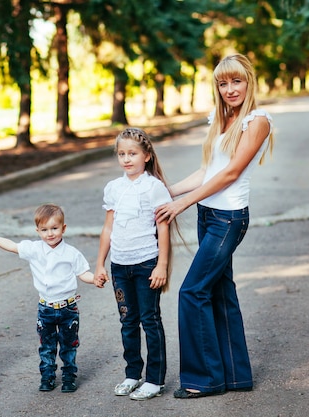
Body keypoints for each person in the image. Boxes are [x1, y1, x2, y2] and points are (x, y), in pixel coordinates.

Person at [155, 54, 274, 399]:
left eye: (236, 81)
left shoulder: (257, 121)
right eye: (223, 83)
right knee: (221, 293)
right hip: (207, 215)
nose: (230, 89)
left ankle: (202, 378)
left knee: (192, 292)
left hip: (228, 219)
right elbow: (208, 169)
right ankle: (236, 375)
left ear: (248, 81)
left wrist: (182, 203)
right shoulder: (220, 119)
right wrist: (168, 191)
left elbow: (231, 173)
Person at [94, 127, 173, 401]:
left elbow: (163, 229)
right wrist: (100, 264)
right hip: (120, 266)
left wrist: (161, 265)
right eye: (122, 154)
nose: (127, 159)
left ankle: (155, 379)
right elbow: (108, 229)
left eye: (133, 153)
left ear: (147, 156)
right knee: (128, 320)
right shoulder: (113, 188)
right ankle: (132, 374)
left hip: (146, 264)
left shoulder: (154, 187)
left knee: (149, 320)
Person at [0, 204, 99, 393]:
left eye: (54, 228)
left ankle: (69, 377)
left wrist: (95, 279)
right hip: (45, 308)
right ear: (37, 231)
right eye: (44, 230)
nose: (50, 234)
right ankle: (47, 377)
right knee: (46, 346)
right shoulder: (34, 249)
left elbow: (83, 273)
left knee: (68, 346)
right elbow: (13, 246)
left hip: (68, 308)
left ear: (63, 228)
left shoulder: (71, 253)